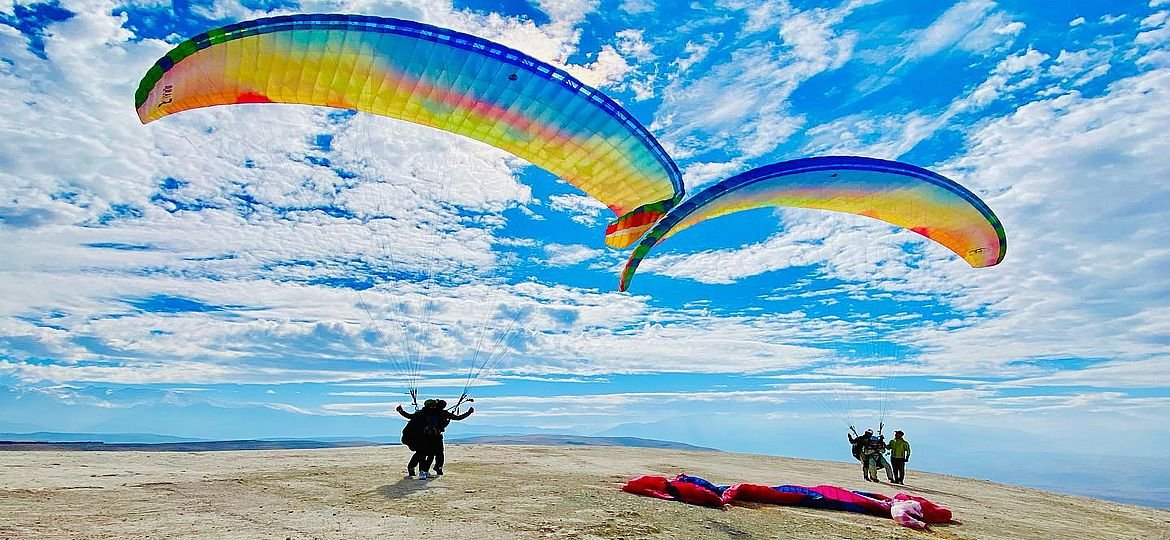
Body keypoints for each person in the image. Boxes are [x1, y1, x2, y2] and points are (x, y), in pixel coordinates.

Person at [396, 399, 474, 479]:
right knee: (422, 454)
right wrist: (401, 411)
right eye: (431, 406)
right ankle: (419, 470)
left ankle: (425, 470)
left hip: (434, 437)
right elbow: (410, 416)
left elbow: (458, 418)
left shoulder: (439, 413)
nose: (433, 407)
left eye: (434, 406)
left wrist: (468, 413)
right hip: (424, 437)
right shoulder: (423, 413)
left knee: (432, 454)